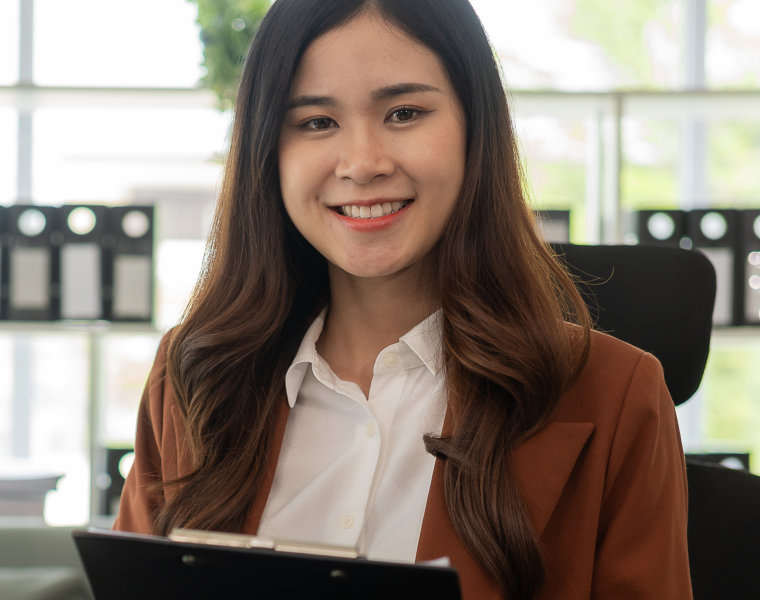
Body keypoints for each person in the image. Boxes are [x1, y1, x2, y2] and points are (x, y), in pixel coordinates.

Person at [112, 1, 691, 598]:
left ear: (475, 128)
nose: (363, 164)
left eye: (404, 113)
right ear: (268, 151)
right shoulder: (195, 377)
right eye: (316, 122)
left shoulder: (616, 395)